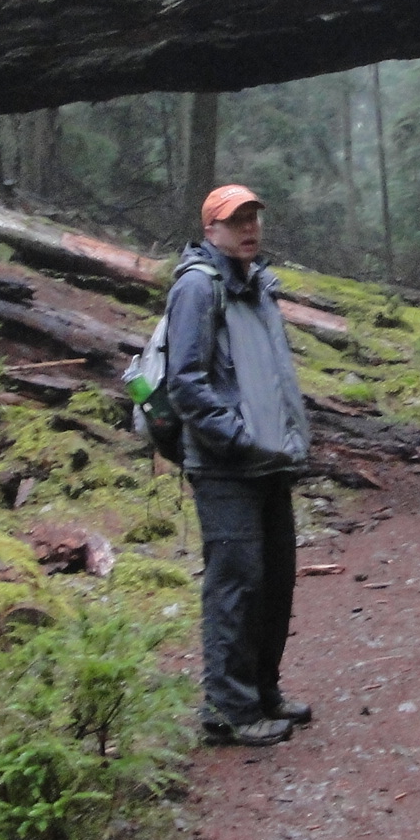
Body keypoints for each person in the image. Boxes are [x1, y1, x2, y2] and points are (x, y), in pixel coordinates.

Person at [164, 184, 314, 746]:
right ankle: (228, 709)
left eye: (253, 217)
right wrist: (237, 439)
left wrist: (286, 442)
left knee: (275, 582)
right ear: (211, 229)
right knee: (235, 584)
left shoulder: (258, 285)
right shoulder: (197, 289)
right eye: (235, 220)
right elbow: (186, 381)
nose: (248, 228)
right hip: (225, 465)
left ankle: (264, 692)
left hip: (269, 461)